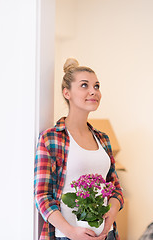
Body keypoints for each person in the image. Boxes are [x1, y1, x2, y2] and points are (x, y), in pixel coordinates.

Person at [34, 58, 124, 240]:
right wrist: (72, 232)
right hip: (67, 236)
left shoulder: (103, 139)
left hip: (107, 235)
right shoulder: (51, 139)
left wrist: (111, 217)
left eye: (96, 86)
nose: (93, 91)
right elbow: (42, 196)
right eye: (84, 85)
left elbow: (115, 187)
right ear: (66, 93)